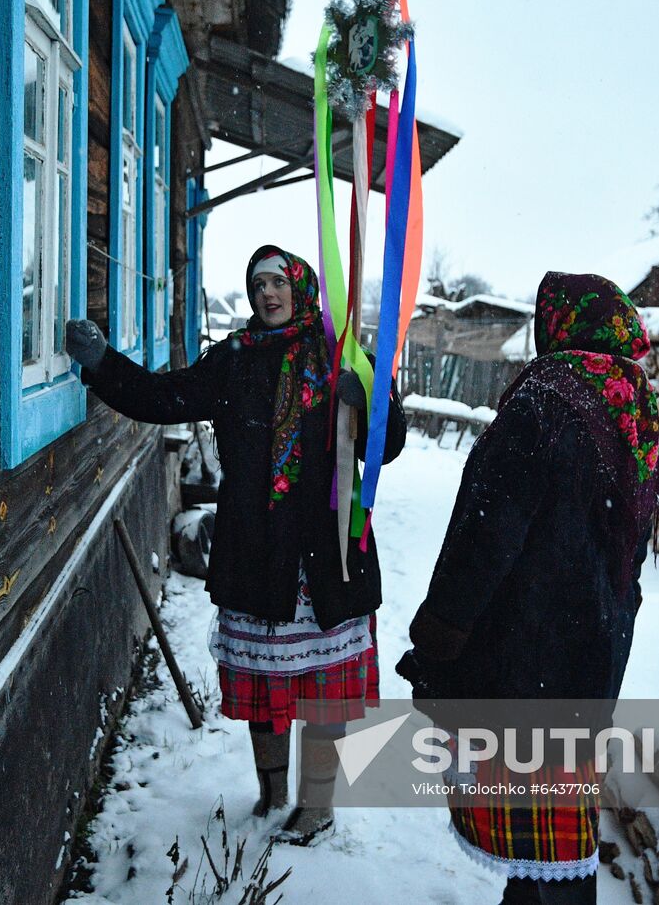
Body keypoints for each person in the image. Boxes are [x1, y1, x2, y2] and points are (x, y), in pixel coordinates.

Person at [65, 245, 406, 844]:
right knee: (265, 688)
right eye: (258, 286)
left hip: (328, 552)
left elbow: (390, 444)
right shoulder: (234, 360)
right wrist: (100, 364)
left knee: (325, 692)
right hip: (257, 548)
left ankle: (318, 808)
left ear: (300, 287)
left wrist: (372, 402)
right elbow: (162, 397)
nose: (267, 294)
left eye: (277, 283)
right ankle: (274, 795)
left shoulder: (341, 355)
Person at [397, 272, 659, 904]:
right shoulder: (632, 398)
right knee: (557, 812)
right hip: (595, 642)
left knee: (542, 821)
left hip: (529, 642)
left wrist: (441, 631)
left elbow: (488, 532)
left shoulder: (546, 398)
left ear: (559, 325)